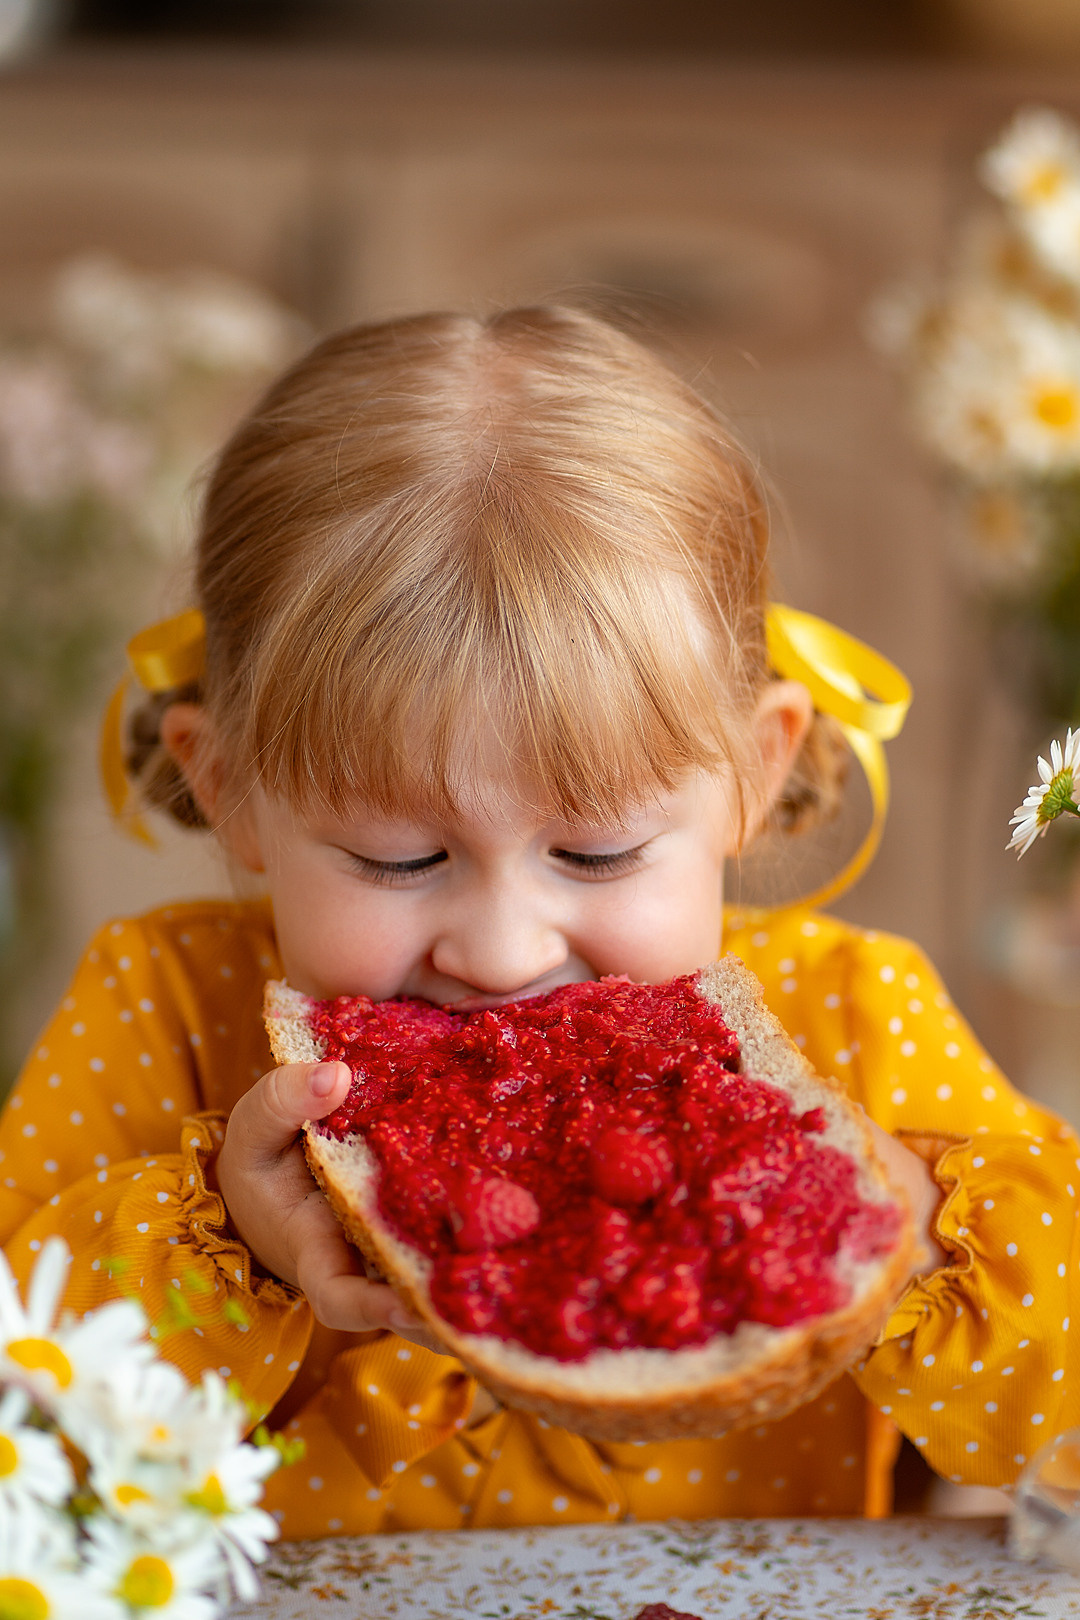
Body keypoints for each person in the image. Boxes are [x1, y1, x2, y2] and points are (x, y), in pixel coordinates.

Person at [0, 307, 1074, 1537]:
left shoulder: (858, 1016)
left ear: (756, 774)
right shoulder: (161, 1003)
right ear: (230, 791)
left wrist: (911, 1245)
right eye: (398, 860)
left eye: (597, 851)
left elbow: (1063, 1411)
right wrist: (222, 1251)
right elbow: (24, 1441)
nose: (504, 953)